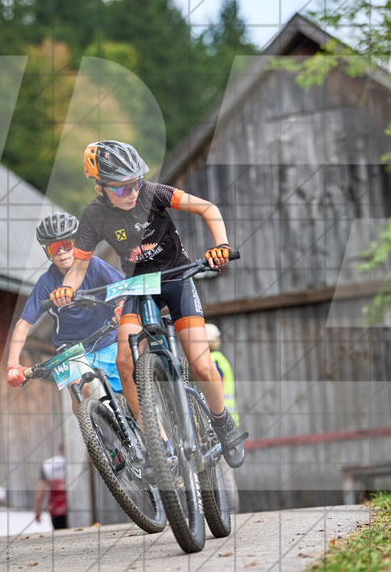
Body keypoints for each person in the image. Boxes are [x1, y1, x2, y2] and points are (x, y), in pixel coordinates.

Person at [50, 140, 248, 468]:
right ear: (100, 188)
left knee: (200, 364)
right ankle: (161, 446)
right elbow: (79, 267)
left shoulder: (152, 192)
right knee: (126, 363)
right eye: (121, 188)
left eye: (135, 182)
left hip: (177, 279)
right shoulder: (95, 215)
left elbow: (208, 209)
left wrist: (221, 246)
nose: (130, 192)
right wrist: (66, 290)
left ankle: (222, 422)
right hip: (139, 288)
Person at [6, 212, 125, 409]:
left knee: (128, 393)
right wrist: (12, 364)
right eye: (54, 247)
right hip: (70, 349)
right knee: (80, 394)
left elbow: (124, 290)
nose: (62, 252)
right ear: (48, 253)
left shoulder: (94, 265)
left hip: (107, 339)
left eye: (67, 244)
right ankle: (93, 436)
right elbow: (23, 324)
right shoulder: (46, 283)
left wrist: (123, 304)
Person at [206, 323, 239, 511]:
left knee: (224, 472)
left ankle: (231, 513)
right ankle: (232, 512)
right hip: (227, 422)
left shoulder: (212, 362)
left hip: (217, 423)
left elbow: (213, 390)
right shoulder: (220, 358)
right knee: (226, 471)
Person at [34, 446, 68, 529]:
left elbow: (41, 489)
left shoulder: (47, 464)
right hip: (73, 508)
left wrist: (37, 509)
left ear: (58, 452)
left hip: (56, 509)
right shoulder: (73, 462)